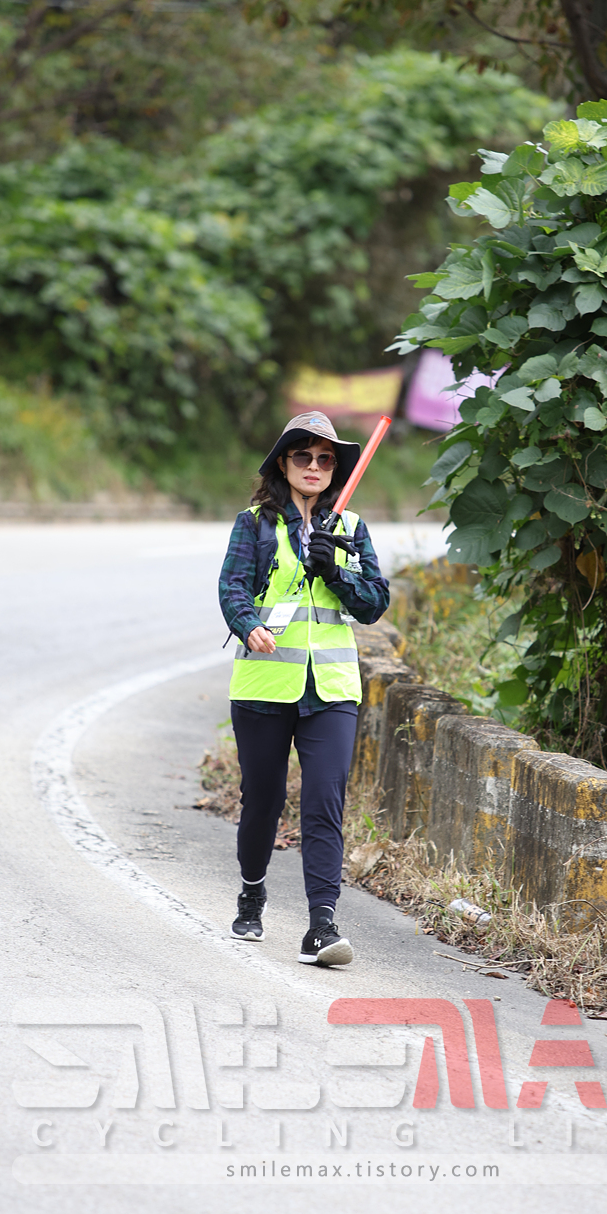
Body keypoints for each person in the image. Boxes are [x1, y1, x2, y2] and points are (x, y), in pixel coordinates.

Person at [216, 411, 391, 965]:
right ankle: (252, 892)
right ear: (283, 464)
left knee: (324, 803)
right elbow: (232, 587)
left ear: (336, 468)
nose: (314, 466)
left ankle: (322, 926)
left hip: (332, 689)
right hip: (265, 684)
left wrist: (336, 572)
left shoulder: (350, 526)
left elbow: (375, 602)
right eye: (302, 456)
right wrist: (249, 625)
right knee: (262, 801)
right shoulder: (254, 524)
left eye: (325, 458)